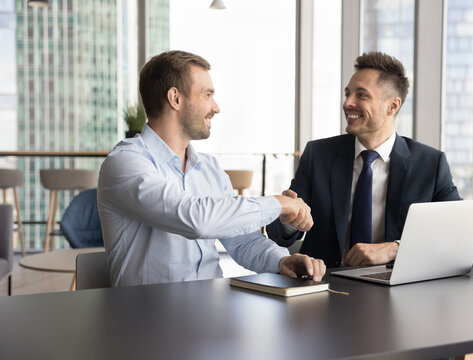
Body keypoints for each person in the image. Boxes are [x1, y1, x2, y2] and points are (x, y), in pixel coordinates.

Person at [97, 50, 325, 287]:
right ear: (175, 98)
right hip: (148, 317)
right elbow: (194, 218)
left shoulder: (210, 169)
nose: (216, 108)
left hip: (210, 311)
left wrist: (280, 261)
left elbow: (242, 241)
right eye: (207, 95)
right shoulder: (126, 163)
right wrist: (278, 203)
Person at [267, 51, 461, 268]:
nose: (348, 102)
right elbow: (278, 232)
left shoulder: (430, 164)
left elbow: (462, 240)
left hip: (396, 291)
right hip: (325, 288)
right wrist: (289, 222)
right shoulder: (318, 154)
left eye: (362, 95)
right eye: (347, 93)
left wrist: (395, 248)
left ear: (393, 106)